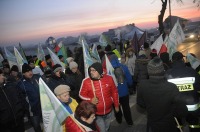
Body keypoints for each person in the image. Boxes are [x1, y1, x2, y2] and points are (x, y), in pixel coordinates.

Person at [137, 57, 187, 132]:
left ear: (148, 71)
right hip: (169, 125)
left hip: (152, 125)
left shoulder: (142, 85)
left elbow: (141, 104)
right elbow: (183, 110)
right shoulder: (171, 87)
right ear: (163, 70)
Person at [165, 51, 200, 132]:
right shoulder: (192, 71)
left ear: (172, 61)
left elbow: (165, 91)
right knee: (194, 126)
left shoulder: (167, 74)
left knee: (178, 126)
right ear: (182, 60)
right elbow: (198, 87)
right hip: (192, 107)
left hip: (176, 107)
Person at [79, 62, 119, 132]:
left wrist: (116, 105)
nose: (91, 72)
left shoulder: (109, 78)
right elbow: (81, 95)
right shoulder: (86, 81)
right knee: (102, 130)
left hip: (109, 111)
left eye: (93, 70)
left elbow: (114, 92)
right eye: (90, 70)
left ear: (99, 71)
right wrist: (90, 100)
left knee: (107, 127)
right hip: (96, 113)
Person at [16, 63, 42, 132]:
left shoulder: (38, 77)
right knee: (37, 127)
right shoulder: (21, 84)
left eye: (30, 71)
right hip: (32, 110)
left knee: (47, 123)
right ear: (23, 73)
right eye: (27, 72)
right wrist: (27, 109)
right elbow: (20, 99)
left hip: (43, 107)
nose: (30, 73)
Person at [109, 55, 134, 126]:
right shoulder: (123, 67)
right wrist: (130, 84)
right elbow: (129, 79)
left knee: (116, 106)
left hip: (114, 93)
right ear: (117, 59)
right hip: (124, 91)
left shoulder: (109, 69)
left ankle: (119, 119)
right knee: (126, 107)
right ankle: (129, 122)